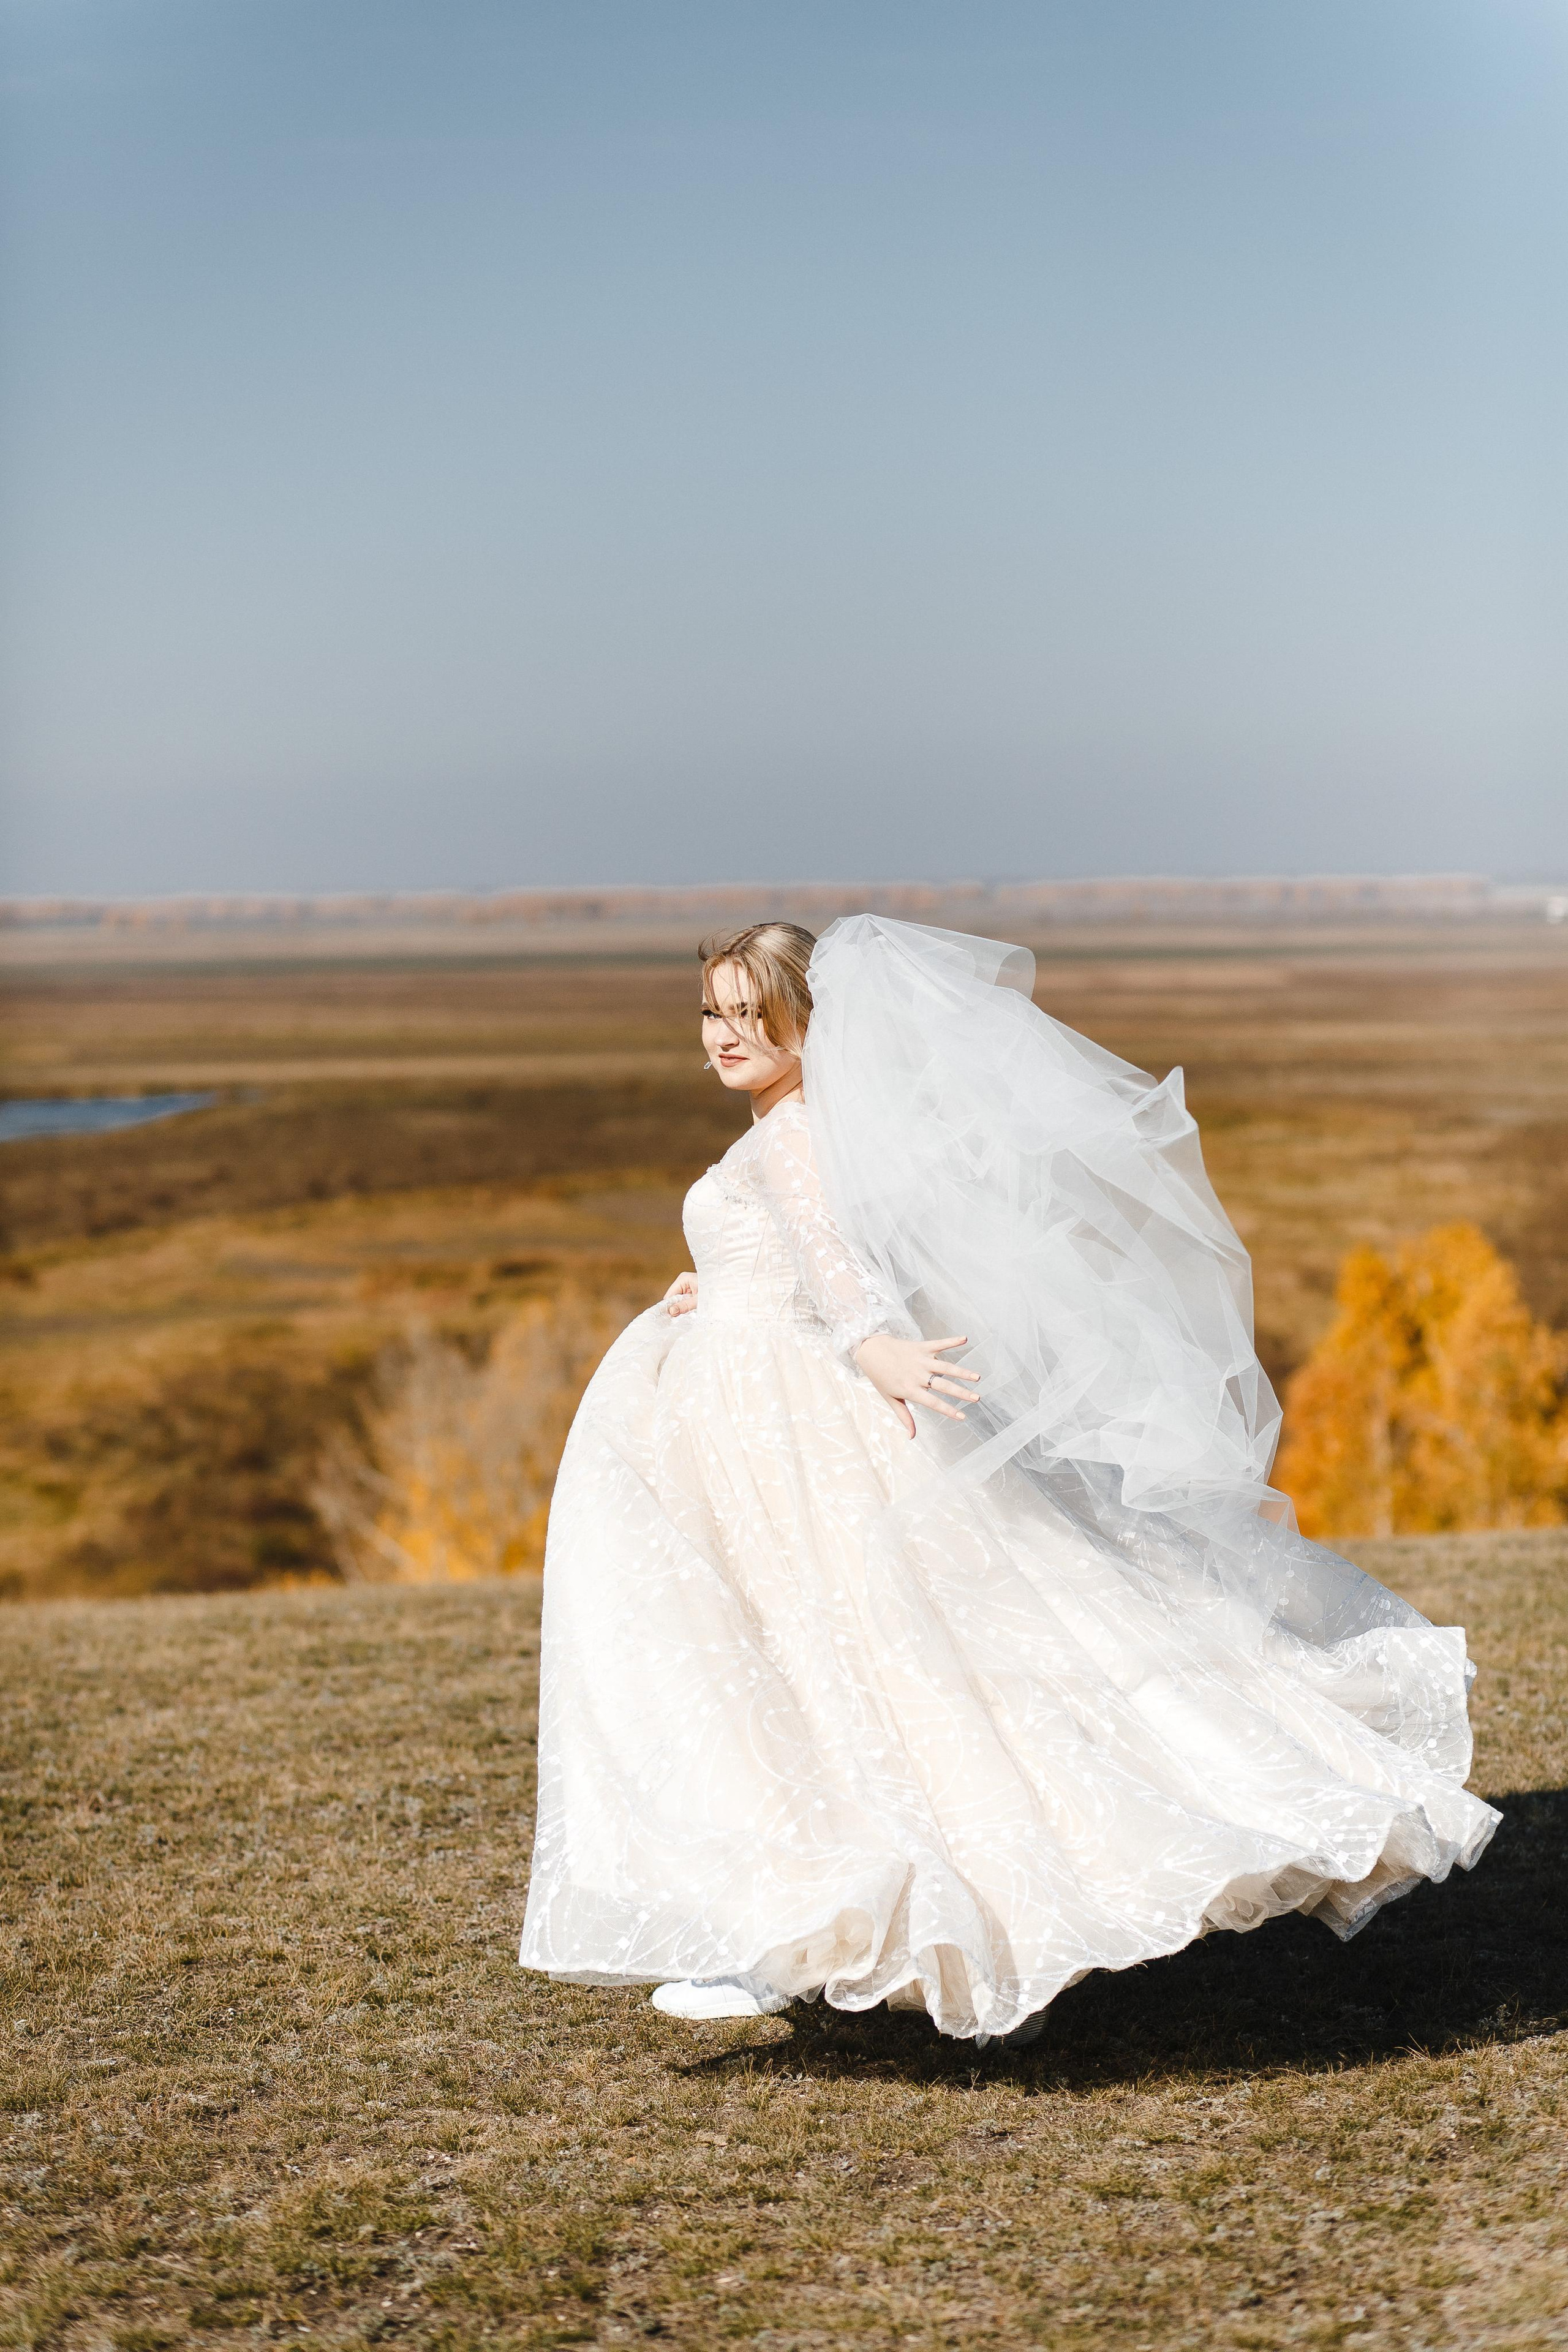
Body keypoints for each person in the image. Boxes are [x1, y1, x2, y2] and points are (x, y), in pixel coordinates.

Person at [519, 916, 1496, 2046]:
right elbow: (806, 1247)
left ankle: (855, 1934)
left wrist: (869, 1343)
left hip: (790, 1427)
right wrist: (713, 1287)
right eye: (712, 1012)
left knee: (830, 1668)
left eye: (753, 1014)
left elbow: (834, 1262)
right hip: (758, 1407)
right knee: (827, 1667)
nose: (726, 1036)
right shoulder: (796, 1125)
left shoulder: (794, 1130)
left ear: (807, 1022)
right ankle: (850, 1933)